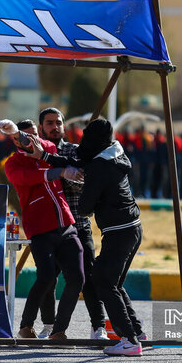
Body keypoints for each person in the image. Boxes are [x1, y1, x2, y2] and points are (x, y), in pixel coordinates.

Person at [4, 120, 84, 340]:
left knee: (77, 278)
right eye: (26, 137)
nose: (33, 141)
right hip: (39, 227)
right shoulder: (13, 163)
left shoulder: (47, 149)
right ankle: (25, 326)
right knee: (47, 277)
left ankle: (58, 330)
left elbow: (52, 152)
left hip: (66, 223)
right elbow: (26, 178)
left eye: (36, 136)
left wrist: (56, 166)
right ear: (15, 139)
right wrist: (57, 172)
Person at [35, 108, 108, 340]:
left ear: (64, 127)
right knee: (47, 279)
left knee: (87, 277)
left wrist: (63, 174)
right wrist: (57, 172)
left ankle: (98, 327)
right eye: (49, 123)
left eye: (58, 122)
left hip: (77, 224)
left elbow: (84, 184)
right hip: (48, 228)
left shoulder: (75, 151)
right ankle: (49, 326)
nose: (54, 126)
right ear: (40, 128)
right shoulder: (34, 154)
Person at [75, 119, 146, 356]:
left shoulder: (98, 166)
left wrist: (81, 183)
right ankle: (137, 332)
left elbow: (85, 207)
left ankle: (129, 340)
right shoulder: (115, 155)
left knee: (103, 281)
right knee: (113, 282)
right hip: (132, 228)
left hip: (119, 231)